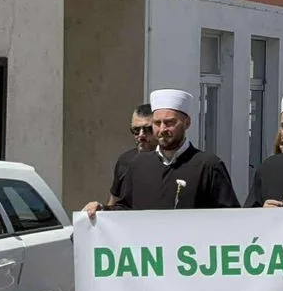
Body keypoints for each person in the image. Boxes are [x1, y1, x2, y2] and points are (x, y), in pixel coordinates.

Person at [83, 89, 239, 214]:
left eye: (170, 122)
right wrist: (102, 210)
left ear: (187, 123)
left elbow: (229, 218)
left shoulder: (208, 166)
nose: (163, 129)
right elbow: (125, 209)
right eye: (157, 123)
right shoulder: (138, 164)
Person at [107, 104, 157, 206]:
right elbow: (113, 203)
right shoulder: (125, 161)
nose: (141, 136)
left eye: (148, 130)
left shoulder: (170, 160)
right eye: (136, 130)